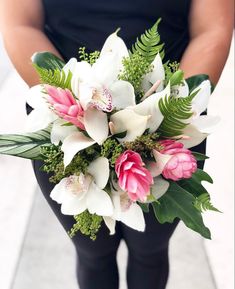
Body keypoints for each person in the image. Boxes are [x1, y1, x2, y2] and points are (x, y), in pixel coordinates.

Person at [0, 1, 233, 289]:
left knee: (151, 249)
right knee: (92, 252)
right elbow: (20, 24)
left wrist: (165, 116)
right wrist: (77, 109)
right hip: (68, 120)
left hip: (169, 124)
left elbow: (213, 28)